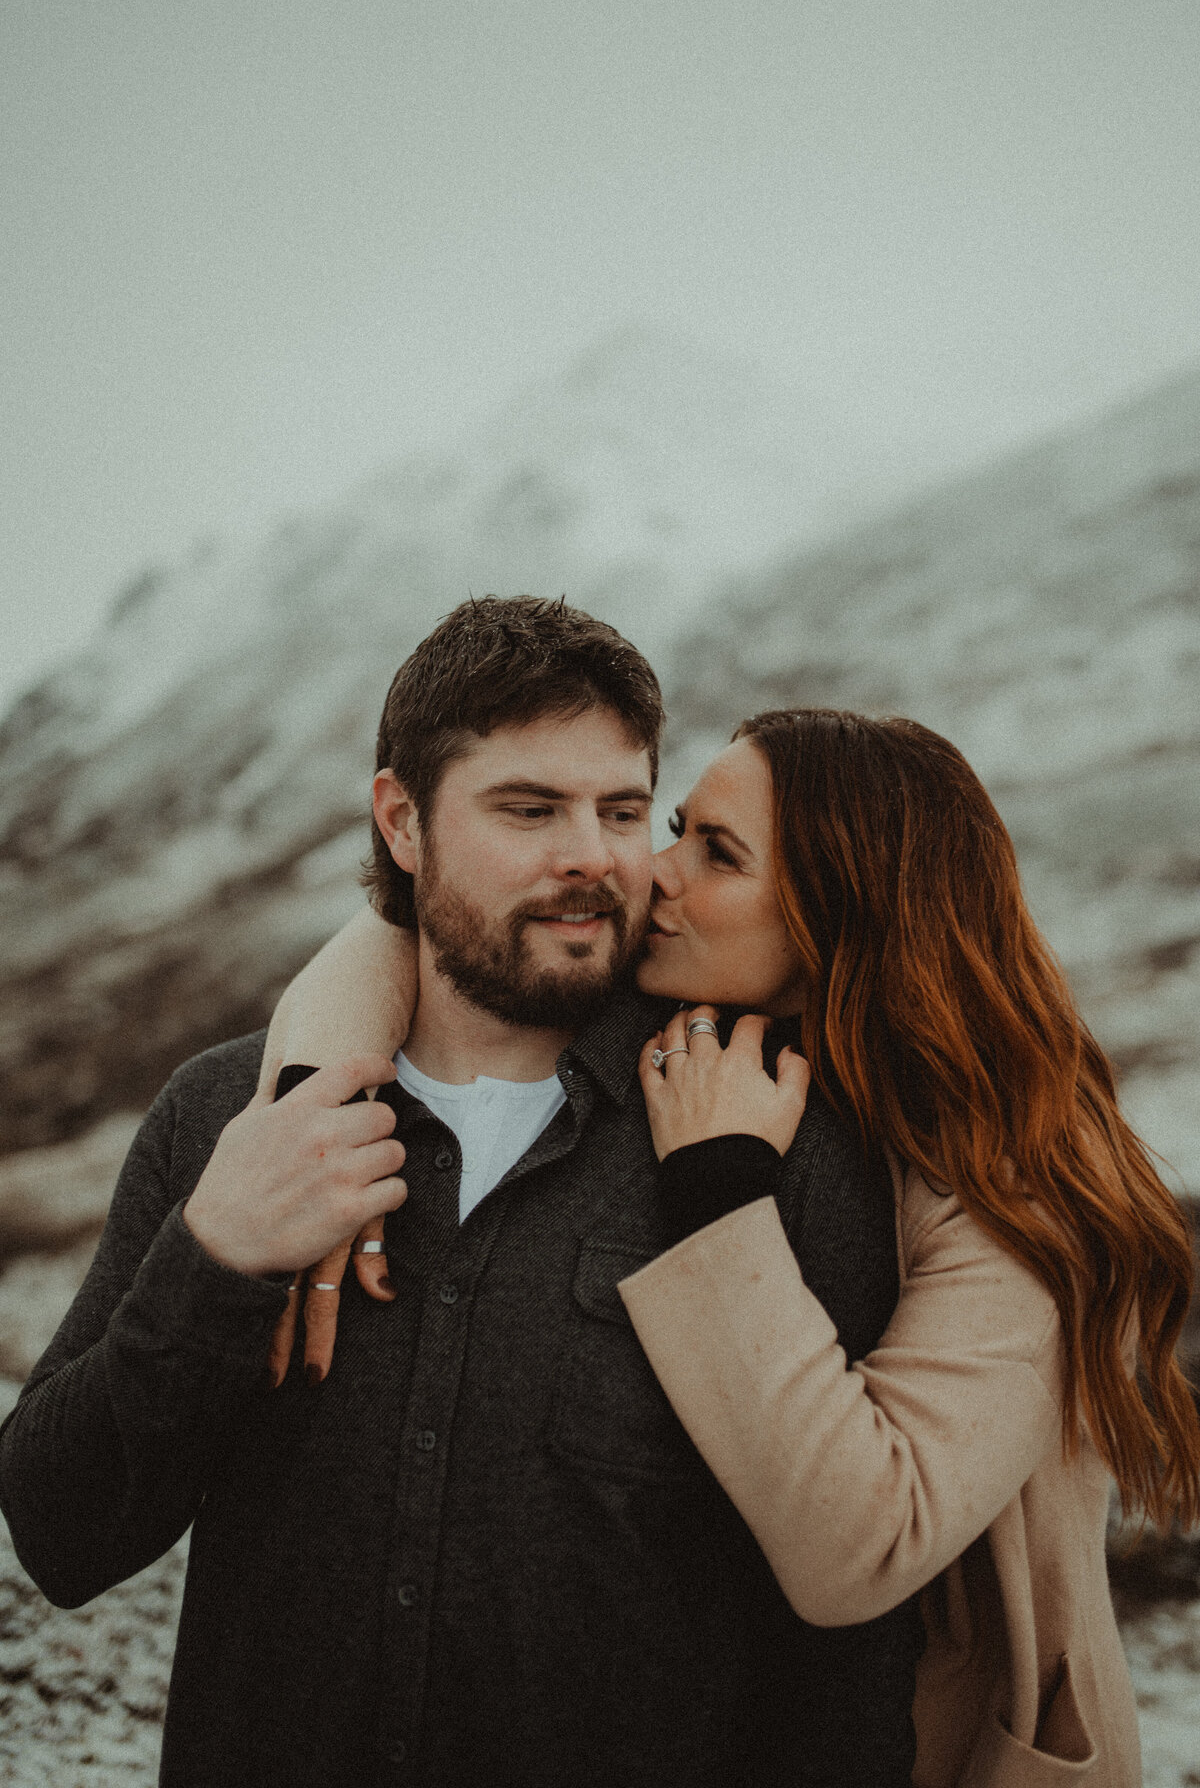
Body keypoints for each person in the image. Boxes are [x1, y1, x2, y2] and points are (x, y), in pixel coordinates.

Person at [0, 599, 922, 1788]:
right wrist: (216, 1255)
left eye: (625, 810)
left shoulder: (771, 1149)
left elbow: (844, 1655)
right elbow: (63, 1534)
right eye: (529, 809)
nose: (591, 853)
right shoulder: (225, 1118)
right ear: (404, 822)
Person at [267, 705, 1200, 1787]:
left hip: (942, 1753)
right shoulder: (716, 1004)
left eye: (718, 854)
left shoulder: (1010, 1185)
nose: (654, 872)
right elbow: (397, 935)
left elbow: (863, 1549)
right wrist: (315, 1107)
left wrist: (718, 1197)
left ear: (843, 912)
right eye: (675, 827)